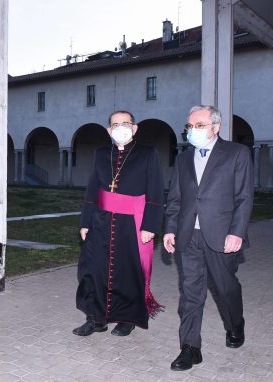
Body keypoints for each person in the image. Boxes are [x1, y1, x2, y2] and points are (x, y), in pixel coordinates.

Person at [164, 105, 253, 371]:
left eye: (199, 125)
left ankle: (235, 324)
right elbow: (176, 198)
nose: (192, 131)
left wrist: (236, 232)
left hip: (222, 235)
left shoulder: (237, 153)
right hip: (188, 235)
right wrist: (169, 228)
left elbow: (244, 197)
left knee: (226, 289)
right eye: (190, 126)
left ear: (216, 127)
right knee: (191, 293)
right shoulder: (183, 159)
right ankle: (190, 348)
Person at [74, 110, 164, 337]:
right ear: (109, 130)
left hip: (131, 221)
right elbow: (92, 189)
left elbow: (155, 192)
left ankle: (127, 318)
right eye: (115, 124)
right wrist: (85, 221)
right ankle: (95, 319)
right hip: (100, 220)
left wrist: (150, 226)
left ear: (134, 128)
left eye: (125, 123)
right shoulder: (101, 153)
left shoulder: (147, 153)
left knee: (127, 270)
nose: (120, 128)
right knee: (92, 269)